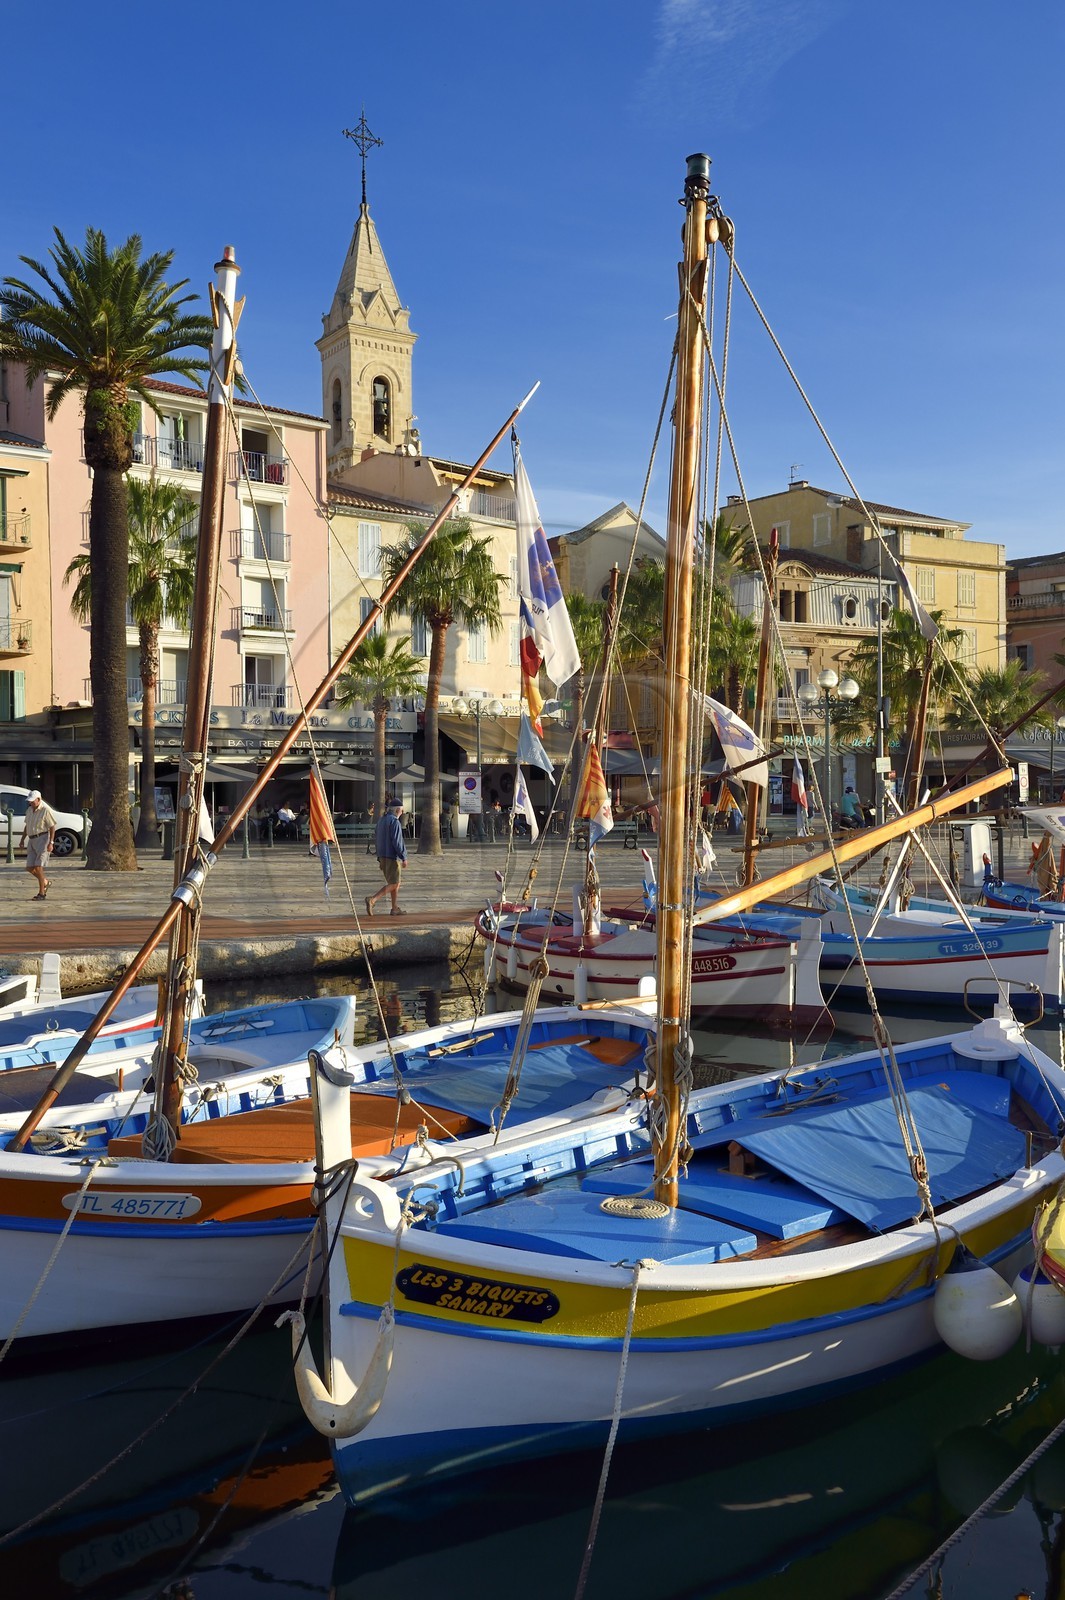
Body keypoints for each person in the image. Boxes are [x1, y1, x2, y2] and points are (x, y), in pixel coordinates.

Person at [365, 798, 407, 917]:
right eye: (401, 810)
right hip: (391, 856)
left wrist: (379, 857)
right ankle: (372, 900)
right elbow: (397, 842)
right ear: (397, 810)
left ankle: (394, 908)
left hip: (382, 855)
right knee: (394, 883)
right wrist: (403, 857)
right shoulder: (394, 822)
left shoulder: (381, 820)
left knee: (394, 882)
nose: (402, 812)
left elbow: (377, 839)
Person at [23, 789, 56, 900]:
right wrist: (22, 839)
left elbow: (52, 827)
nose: (30, 803)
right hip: (32, 839)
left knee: (38, 867)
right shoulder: (29, 810)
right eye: (30, 801)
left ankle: (42, 893)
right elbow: (27, 825)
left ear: (38, 799)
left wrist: (51, 842)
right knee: (29, 867)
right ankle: (45, 882)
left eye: (32, 801)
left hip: (42, 839)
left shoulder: (45, 810)